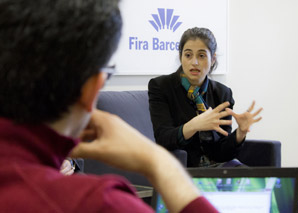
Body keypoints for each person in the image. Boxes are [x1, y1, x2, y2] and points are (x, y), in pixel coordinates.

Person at [0, 1, 218, 212]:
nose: (194, 62)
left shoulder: (220, 92)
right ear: (92, 88)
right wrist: (158, 163)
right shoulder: (102, 204)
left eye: (201, 56)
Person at [148, 27, 263, 167]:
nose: (194, 62)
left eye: (201, 56)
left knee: (247, 176)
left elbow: (222, 153)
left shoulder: (223, 93)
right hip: (182, 169)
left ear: (213, 59)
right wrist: (194, 125)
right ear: (180, 57)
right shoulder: (161, 87)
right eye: (188, 55)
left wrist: (240, 132)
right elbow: (163, 139)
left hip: (216, 169)